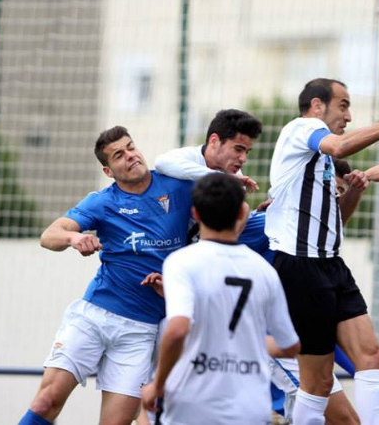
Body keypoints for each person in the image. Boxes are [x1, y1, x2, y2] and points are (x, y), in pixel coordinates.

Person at [154, 109, 364, 424]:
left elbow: (314, 228)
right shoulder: (185, 173)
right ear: (214, 141)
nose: (242, 159)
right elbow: (162, 163)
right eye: (238, 149)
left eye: (247, 152)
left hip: (233, 345)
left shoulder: (256, 254)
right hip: (213, 338)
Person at [266, 77, 379, 425]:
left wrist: (360, 182)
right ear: (317, 106)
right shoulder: (301, 128)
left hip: (331, 265)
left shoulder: (319, 164)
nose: (349, 116)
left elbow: (333, 218)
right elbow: (340, 147)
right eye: (343, 105)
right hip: (300, 268)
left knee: (373, 356)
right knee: (317, 384)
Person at [18, 126, 194, 425]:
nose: (130, 156)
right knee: (47, 402)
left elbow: (224, 204)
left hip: (140, 331)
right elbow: (49, 236)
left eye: (131, 147)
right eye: (119, 155)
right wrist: (74, 238)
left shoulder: (177, 186)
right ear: (108, 171)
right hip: (94, 317)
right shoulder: (103, 202)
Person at [140, 173, 301, 425]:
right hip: (250, 409)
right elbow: (290, 345)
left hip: (193, 406)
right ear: (242, 213)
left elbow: (178, 329)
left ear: (195, 214)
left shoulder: (181, 261)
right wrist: (244, 340)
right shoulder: (264, 271)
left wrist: (157, 384)